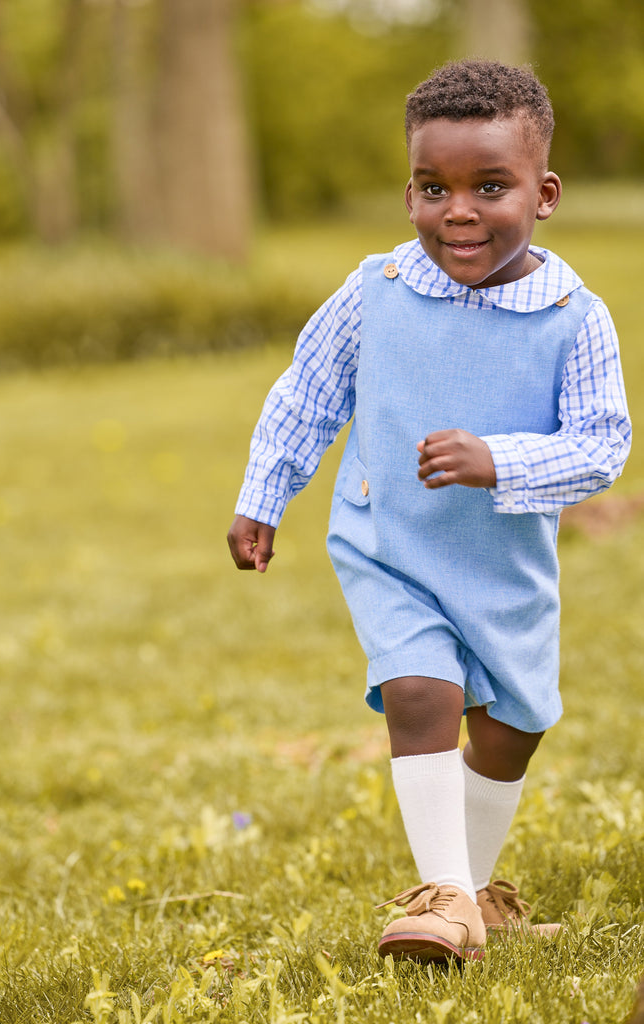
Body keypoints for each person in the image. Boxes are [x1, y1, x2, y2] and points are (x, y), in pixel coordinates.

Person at [227, 59, 631, 963]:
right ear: (408, 192)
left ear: (544, 194)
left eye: (490, 187)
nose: (458, 211)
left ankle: (469, 899)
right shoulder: (376, 290)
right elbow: (305, 395)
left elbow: (602, 445)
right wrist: (263, 496)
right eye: (432, 188)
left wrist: (500, 460)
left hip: (502, 563)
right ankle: (443, 895)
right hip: (390, 543)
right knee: (419, 690)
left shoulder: (573, 317)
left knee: (511, 729)